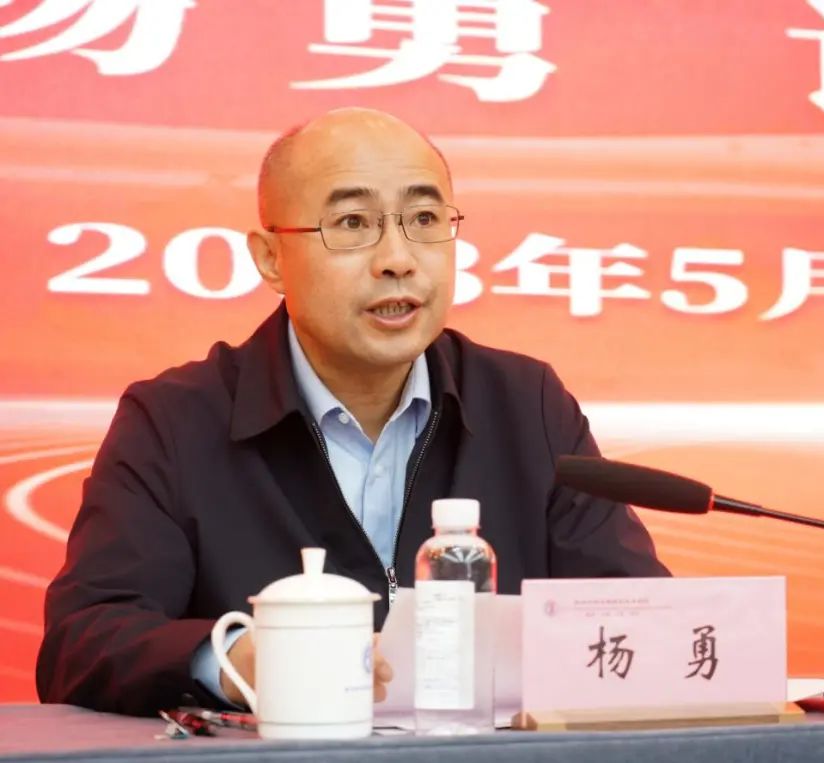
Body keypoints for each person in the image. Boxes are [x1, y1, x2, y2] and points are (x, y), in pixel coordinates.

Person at [36, 108, 669, 717]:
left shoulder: (527, 405)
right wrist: (237, 661)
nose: (398, 259)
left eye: (424, 218)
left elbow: (640, 618)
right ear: (270, 258)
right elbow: (84, 640)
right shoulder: (175, 422)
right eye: (351, 223)